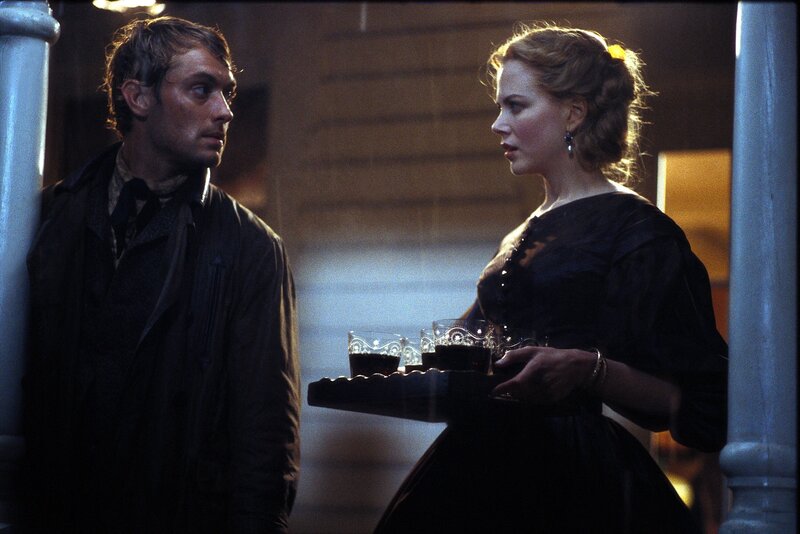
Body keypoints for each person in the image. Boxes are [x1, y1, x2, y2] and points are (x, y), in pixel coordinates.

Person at [375, 23, 728, 533]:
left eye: (515, 106)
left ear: (573, 113)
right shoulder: (521, 233)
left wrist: (588, 369)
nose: (498, 124)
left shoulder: (637, 231)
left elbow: (701, 403)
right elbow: (469, 347)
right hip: (478, 462)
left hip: (570, 474)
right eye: (500, 107)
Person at [22, 16, 301, 533]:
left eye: (226, 92)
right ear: (138, 97)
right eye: (201, 89)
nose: (225, 110)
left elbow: (264, 441)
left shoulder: (251, 249)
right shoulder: (47, 219)